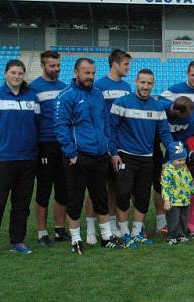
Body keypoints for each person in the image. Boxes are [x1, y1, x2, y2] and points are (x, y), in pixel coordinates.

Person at [54, 58, 125, 255]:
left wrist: (110, 149)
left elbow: (106, 124)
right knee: (75, 199)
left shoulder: (97, 94)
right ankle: (76, 240)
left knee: (100, 197)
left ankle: (106, 237)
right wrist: (71, 152)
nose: (91, 77)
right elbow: (61, 127)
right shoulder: (66, 96)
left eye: (93, 73)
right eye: (87, 73)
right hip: (78, 156)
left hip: (100, 155)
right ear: (76, 72)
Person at [0, 59, 40, 260]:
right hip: (4, 159)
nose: (16, 76)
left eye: (20, 73)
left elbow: (36, 125)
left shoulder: (32, 97)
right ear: (6, 74)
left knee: (22, 203)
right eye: (13, 72)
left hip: (28, 159)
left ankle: (17, 240)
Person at [109, 68, 175, 248]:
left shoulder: (158, 106)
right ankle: (124, 233)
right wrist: (114, 153)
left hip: (147, 158)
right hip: (125, 157)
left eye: (149, 83)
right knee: (122, 194)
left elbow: (164, 133)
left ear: (153, 85)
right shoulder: (122, 103)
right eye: (142, 82)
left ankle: (137, 233)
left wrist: (175, 150)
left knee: (142, 196)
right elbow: (111, 130)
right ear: (136, 82)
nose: (145, 86)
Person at [155, 60, 194, 235]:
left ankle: (188, 222)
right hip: (171, 147)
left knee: (188, 182)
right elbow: (156, 102)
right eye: (193, 75)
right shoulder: (173, 91)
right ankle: (164, 221)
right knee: (167, 181)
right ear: (187, 73)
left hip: (191, 144)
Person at [29, 50, 69, 246]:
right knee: (44, 190)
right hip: (44, 145)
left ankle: (60, 230)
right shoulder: (34, 88)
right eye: (52, 66)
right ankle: (42, 232)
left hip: (63, 144)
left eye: (58, 66)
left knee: (63, 189)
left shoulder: (65, 87)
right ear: (43, 65)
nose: (56, 69)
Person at [91, 48, 131, 242]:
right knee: (95, 188)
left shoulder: (127, 87)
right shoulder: (98, 86)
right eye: (125, 64)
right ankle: (91, 228)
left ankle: (113, 223)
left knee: (115, 187)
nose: (128, 68)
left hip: (120, 144)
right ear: (115, 64)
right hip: (101, 144)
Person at [161, 142, 194, 245]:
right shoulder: (167, 171)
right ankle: (172, 236)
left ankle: (181, 235)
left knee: (183, 219)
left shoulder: (184, 168)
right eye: (179, 160)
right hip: (173, 201)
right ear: (172, 159)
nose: (182, 162)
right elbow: (165, 186)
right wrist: (167, 200)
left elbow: (190, 181)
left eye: (184, 160)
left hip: (184, 199)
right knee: (174, 219)